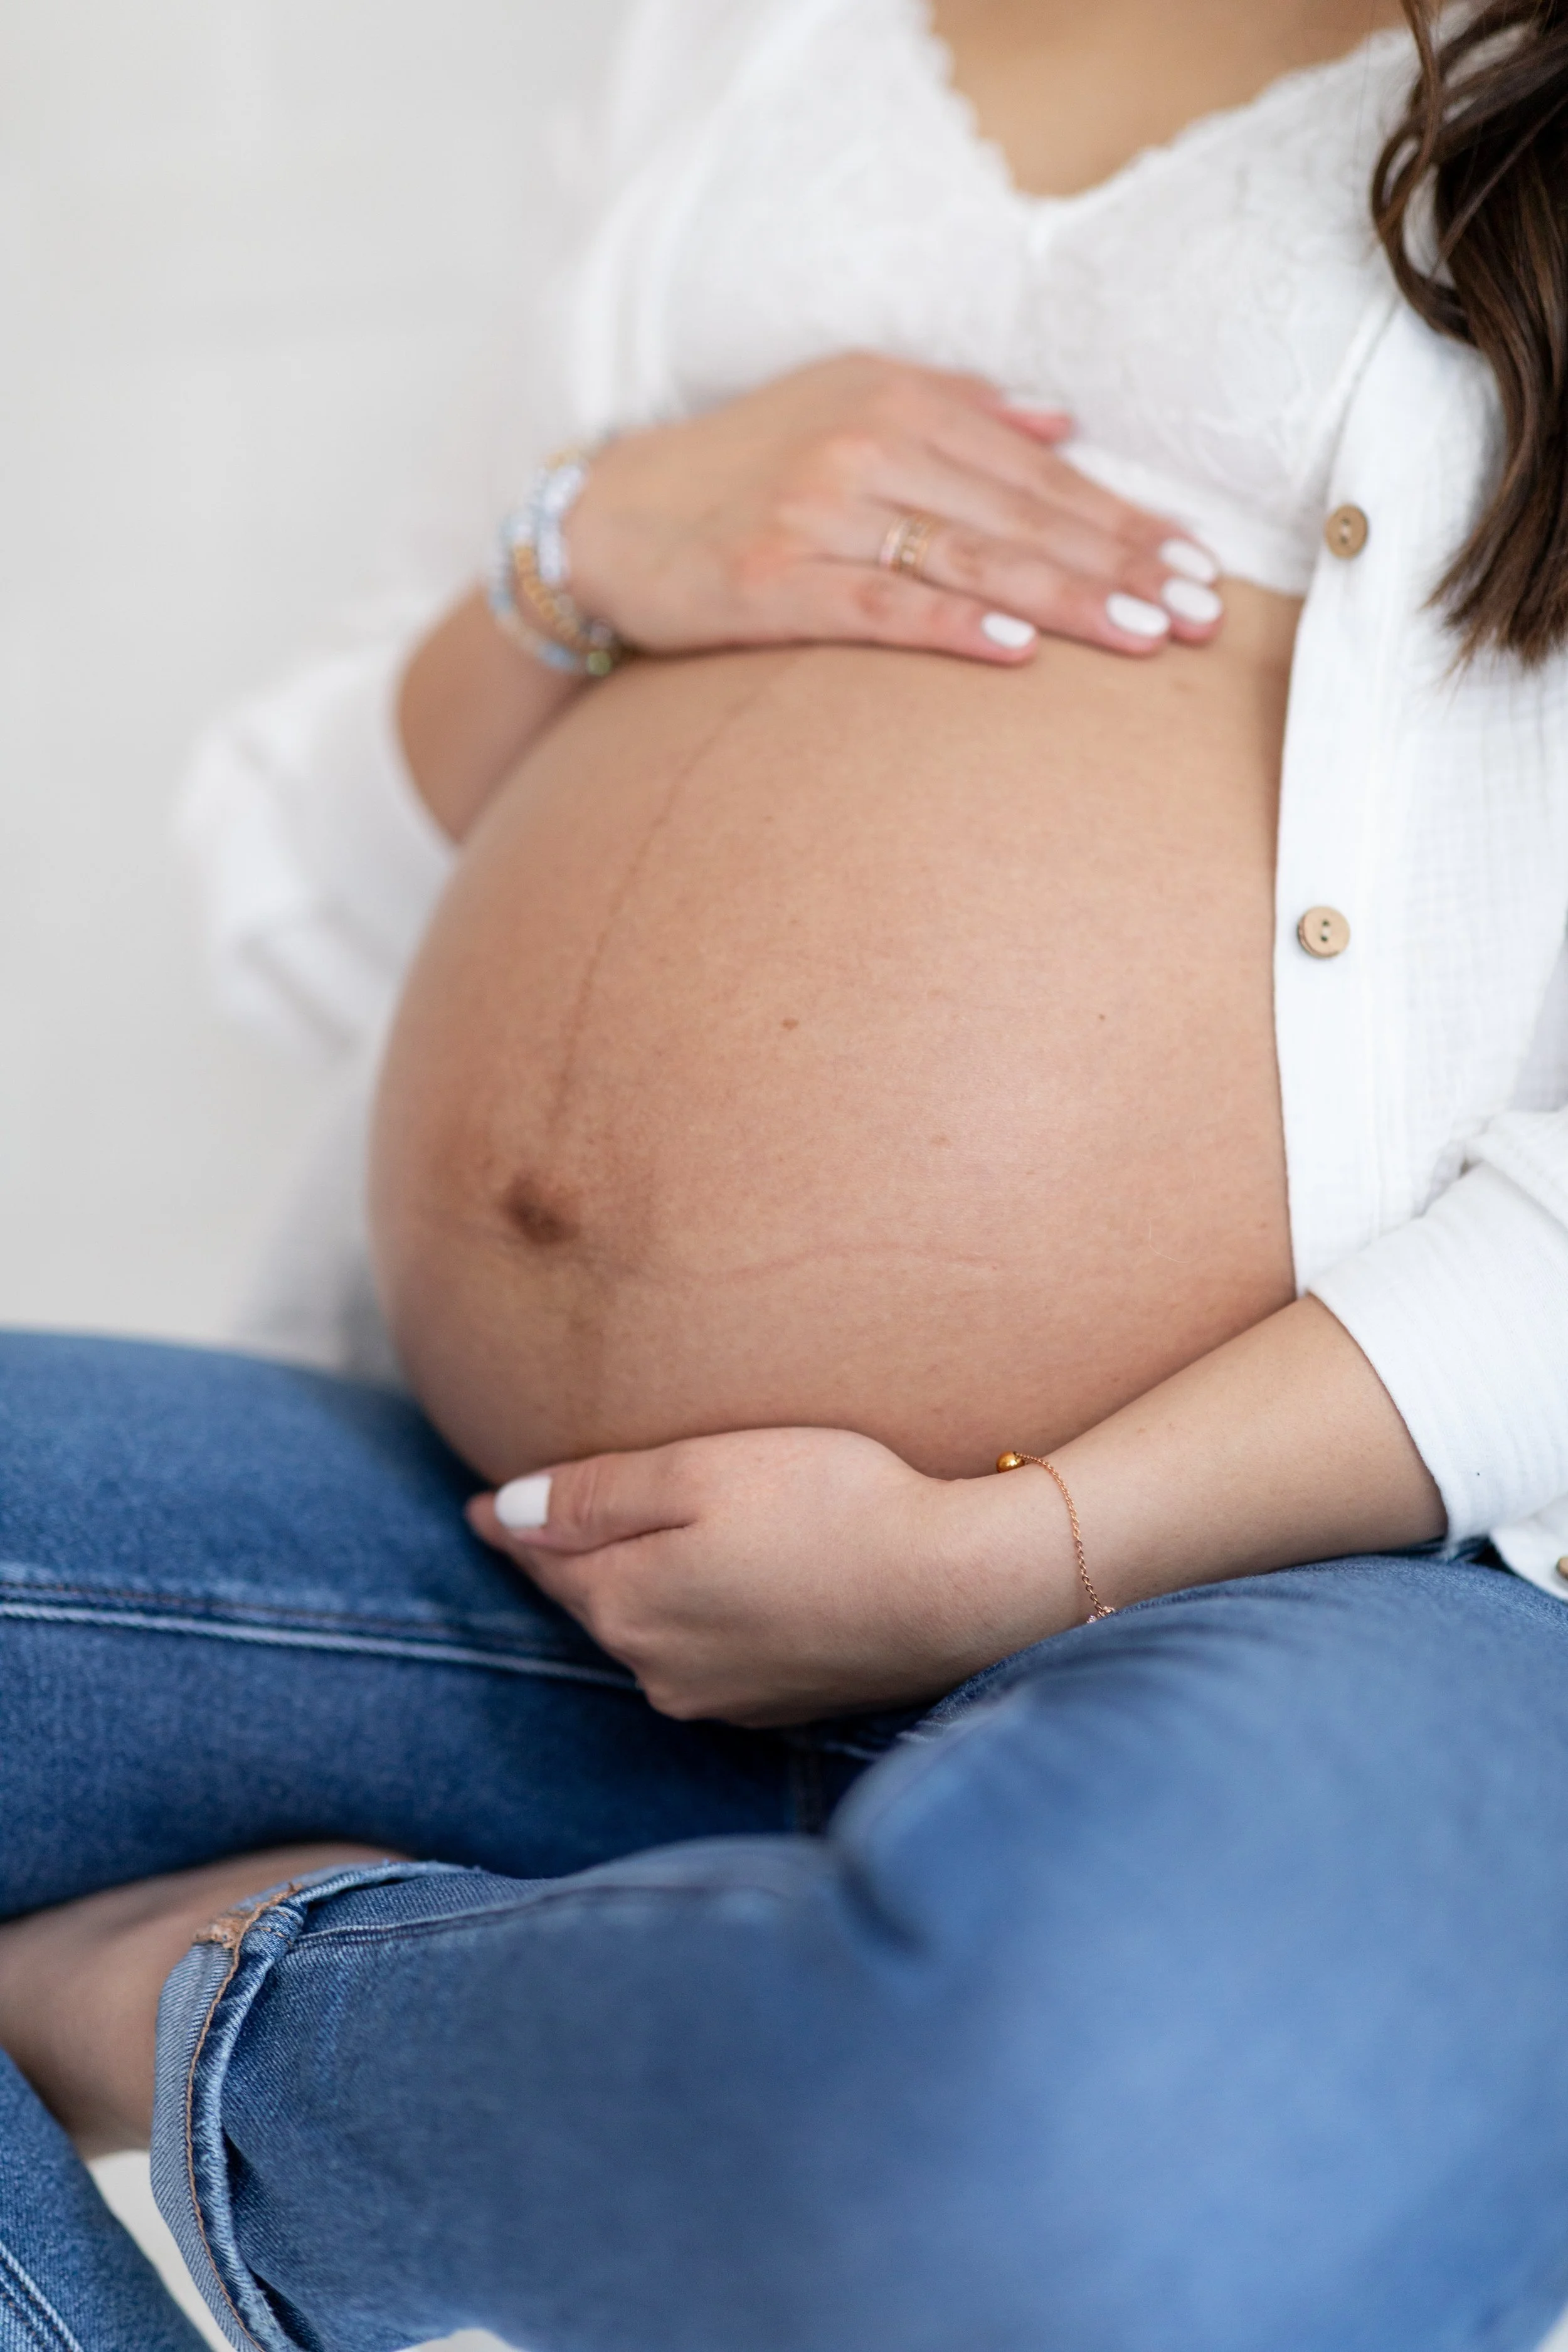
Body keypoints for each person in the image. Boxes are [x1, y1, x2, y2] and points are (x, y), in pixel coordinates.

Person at [5, 0, 1568, 2344]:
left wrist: (1028, 1544)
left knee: (1100, 2181)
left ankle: (213, 2013)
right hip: (524, 1560)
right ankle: (690, 1999)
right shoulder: (736, 36)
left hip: (1339, 1591)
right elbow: (293, 885)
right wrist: (585, 551)